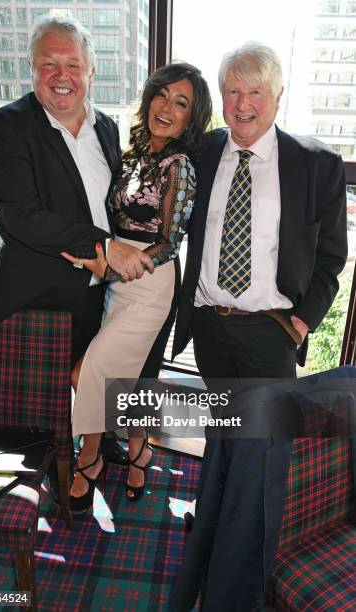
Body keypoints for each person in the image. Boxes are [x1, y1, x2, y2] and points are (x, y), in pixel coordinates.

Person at [171, 42, 347, 610]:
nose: (241, 105)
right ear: (220, 97)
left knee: (262, 450)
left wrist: (299, 323)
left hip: (271, 330)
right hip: (211, 325)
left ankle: (243, 570)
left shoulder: (315, 163)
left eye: (254, 93)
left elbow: (331, 260)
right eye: (232, 92)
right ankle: (216, 519)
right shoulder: (201, 152)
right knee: (222, 430)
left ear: (277, 97)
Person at [0, 15, 154, 469]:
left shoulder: (108, 128)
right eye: (48, 64)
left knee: (100, 376)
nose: (62, 76)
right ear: (32, 69)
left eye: (72, 65)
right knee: (43, 420)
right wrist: (104, 247)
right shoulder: (7, 126)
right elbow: (22, 218)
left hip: (98, 288)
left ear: (91, 71)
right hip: (37, 295)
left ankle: (98, 447)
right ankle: (52, 475)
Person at [61, 62, 212, 514]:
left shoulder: (179, 164)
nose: (166, 107)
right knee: (125, 381)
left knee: (87, 374)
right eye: (161, 95)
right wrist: (104, 261)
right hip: (113, 280)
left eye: (180, 103)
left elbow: (170, 242)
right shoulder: (132, 154)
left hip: (147, 283)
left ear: (191, 116)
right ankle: (138, 451)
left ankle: (89, 460)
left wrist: (119, 264)